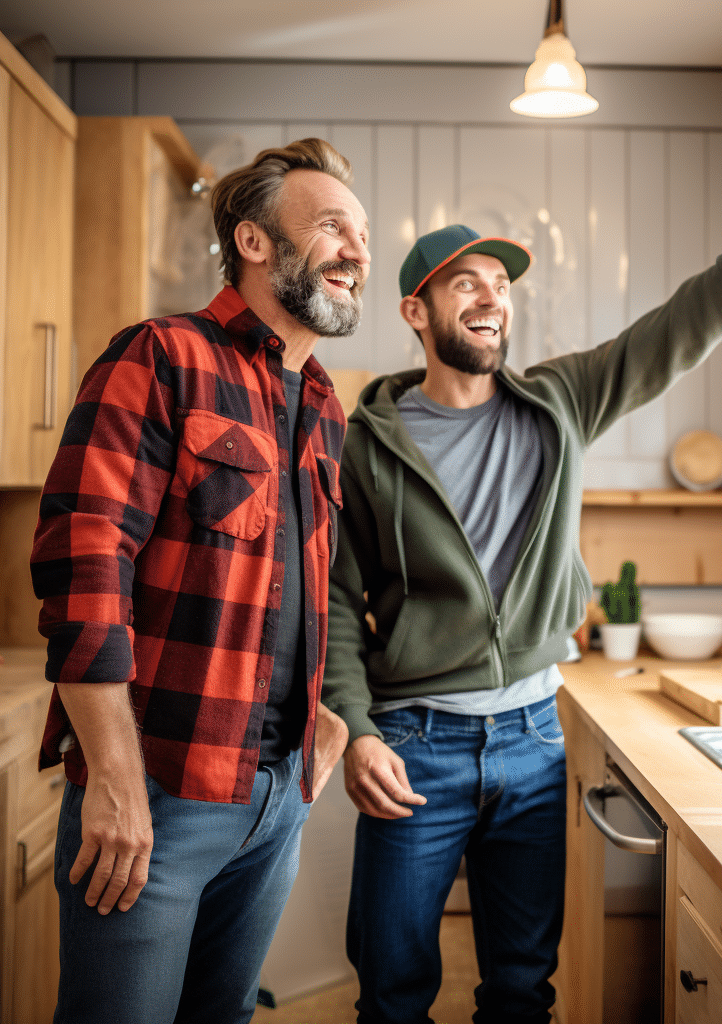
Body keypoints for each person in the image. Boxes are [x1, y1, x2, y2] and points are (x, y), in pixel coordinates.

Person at [323, 117, 722, 1023]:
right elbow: (335, 601)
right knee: (393, 992)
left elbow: (676, 330)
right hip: (415, 746)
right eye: (465, 284)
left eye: (500, 286)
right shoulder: (363, 444)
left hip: (533, 737)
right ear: (416, 311)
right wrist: (358, 728)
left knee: (524, 989)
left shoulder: (557, 403)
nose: (491, 299)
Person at [29, 137, 364, 1024]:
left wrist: (317, 704)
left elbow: (294, 580)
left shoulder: (325, 402)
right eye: (332, 225)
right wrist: (111, 773)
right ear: (256, 242)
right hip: (159, 796)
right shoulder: (162, 357)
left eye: (361, 232)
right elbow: (84, 567)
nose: (358, 250)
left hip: (277, 795)